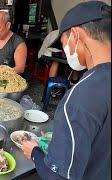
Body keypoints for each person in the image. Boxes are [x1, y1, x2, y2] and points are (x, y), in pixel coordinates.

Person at [21, 1, 111, 179]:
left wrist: (34, 152)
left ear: (76, 35)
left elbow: (57, 176)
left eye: (64, 44)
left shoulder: (79, 99)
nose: (65, 51)